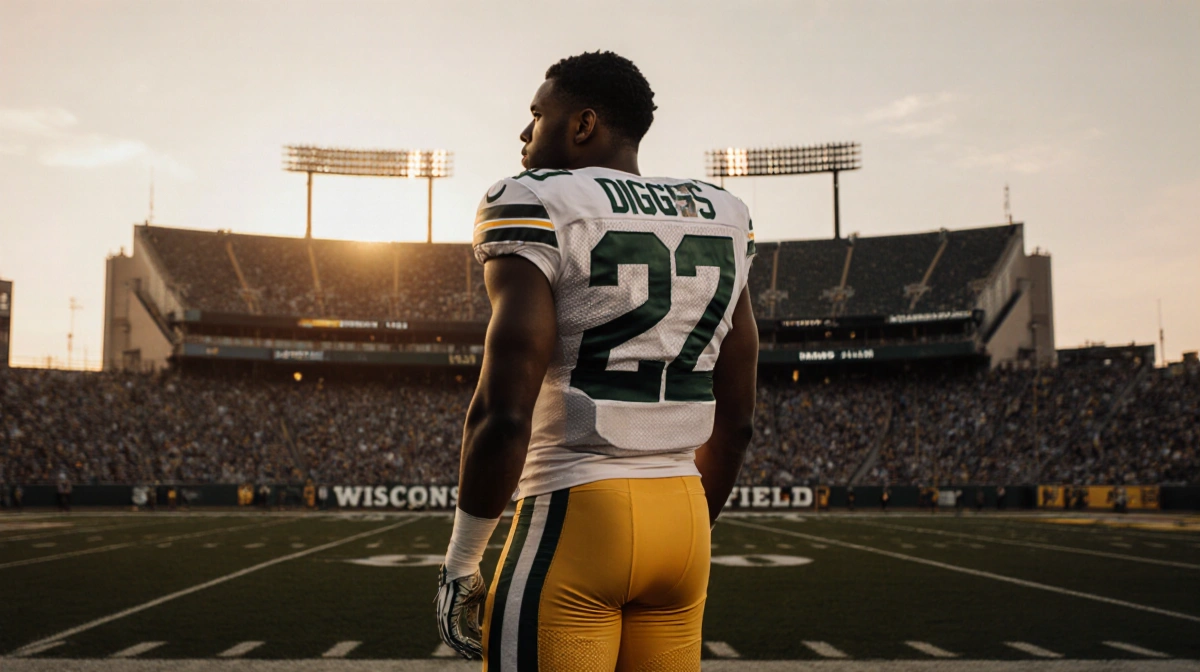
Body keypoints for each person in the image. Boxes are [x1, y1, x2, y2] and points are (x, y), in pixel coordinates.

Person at [435, 51, 758, 672]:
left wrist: (461, 561)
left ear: (582, 125)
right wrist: (683, 526)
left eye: (537, 115)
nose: (524, 134)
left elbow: (502, 414)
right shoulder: (724, 213)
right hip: (686, 520)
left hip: (575, 510)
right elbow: (737, 418)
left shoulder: (534, 201)